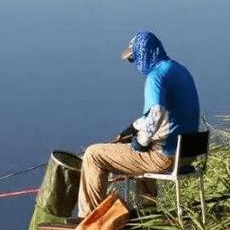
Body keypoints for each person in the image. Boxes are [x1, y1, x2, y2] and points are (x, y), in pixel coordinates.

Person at [76, 31, 200, 218]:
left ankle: (89, 220)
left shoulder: (155, 77)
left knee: (93, 155)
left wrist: (141, 141)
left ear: (144, 54)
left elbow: (156, 112)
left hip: (166, 158)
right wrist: (133, 128)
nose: (134, 64)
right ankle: (148, 214)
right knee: (145, 149)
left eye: (134, 59)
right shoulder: (179, 70)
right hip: (187, 154)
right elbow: (165, 114)